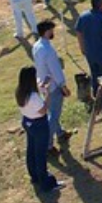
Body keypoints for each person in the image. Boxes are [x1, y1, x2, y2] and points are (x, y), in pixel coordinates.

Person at [15, 66, 62, 193]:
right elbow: (43, 111)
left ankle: (34, 176)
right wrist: (47, 95)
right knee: (40, 155)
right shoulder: (34, 97)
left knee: (31, 150)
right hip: (39, 125)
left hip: (27, 122)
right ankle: (46, 183)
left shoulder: (20, 92)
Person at [32, 20, 73, 155]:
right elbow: (55, 70)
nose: (53, 33)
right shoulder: (48, 50)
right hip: (53, 86)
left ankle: (60, 133)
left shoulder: (36, 46)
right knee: (54, 115)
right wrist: (63, 86)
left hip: (42, 84)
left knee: (51, 111)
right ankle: (48, 145)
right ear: (46, 31)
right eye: (51, 30)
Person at [75, 0, 102, 109]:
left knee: (94, 74)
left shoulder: (83, 16)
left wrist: (82, 47)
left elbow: (78, 32)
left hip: (90, 53)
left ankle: (97, 98)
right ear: (101, 4)